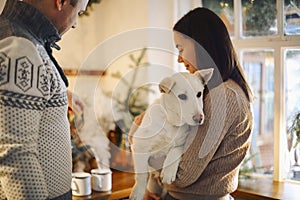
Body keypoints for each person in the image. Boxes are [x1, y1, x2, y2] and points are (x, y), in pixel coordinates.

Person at [129, 7, 254, 200]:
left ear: (201, 44)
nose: (179, 59)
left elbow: (183, 175)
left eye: (180, 48)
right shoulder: (218, 91)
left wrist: (139, 141)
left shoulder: (223, 97)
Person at [0, 0, 88, 199]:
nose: (75, 23)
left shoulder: (21, 39)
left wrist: (56, 94)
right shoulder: (20, 47)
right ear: (61, 2)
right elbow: (16, 155)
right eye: (79, 13)